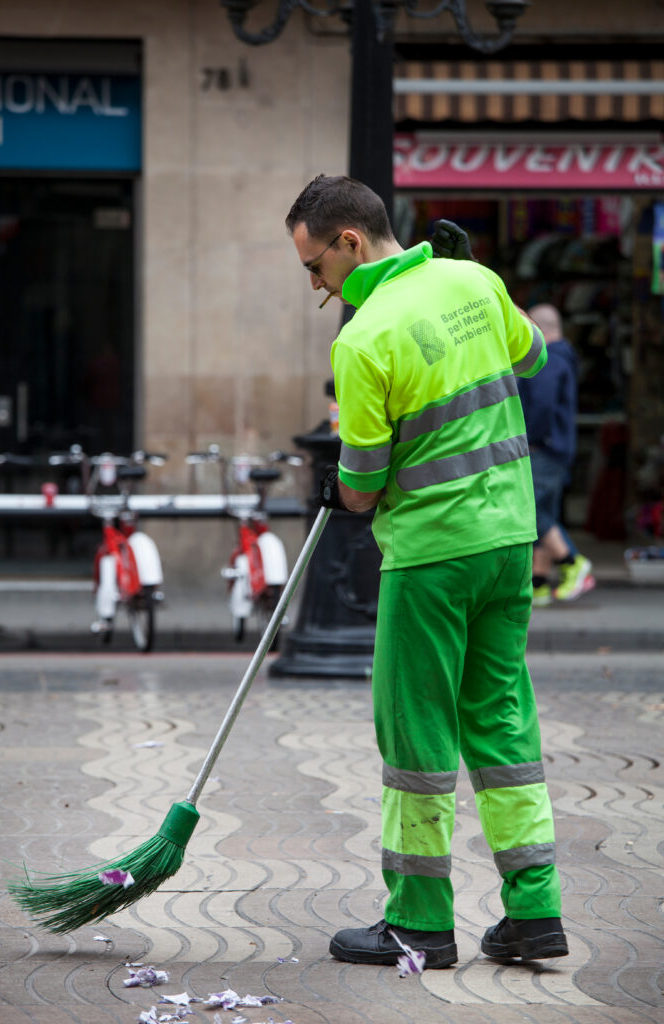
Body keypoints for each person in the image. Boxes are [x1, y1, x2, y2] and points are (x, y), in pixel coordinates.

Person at [285, 175, 568, 970]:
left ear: (349, 242)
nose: (315, 284)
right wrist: (467, 274)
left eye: (315, 267)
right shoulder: (472, 278)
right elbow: (533, 354)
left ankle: (418, 923)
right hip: (509, 541)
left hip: (431, 556)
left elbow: (363, 485)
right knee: (502, 724)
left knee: (417, 737)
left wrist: (335, 487)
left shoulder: (363, 337)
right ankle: (535, 912)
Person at [517, 304, 595, 606]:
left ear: (537, 327)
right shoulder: (564, 357)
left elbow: (542, 404)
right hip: (556, 447)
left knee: (531, 511)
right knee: (545, 510)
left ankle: (572, 563)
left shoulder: (548, 360)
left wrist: (531, 439)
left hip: (544, 448)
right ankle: (537, 583)